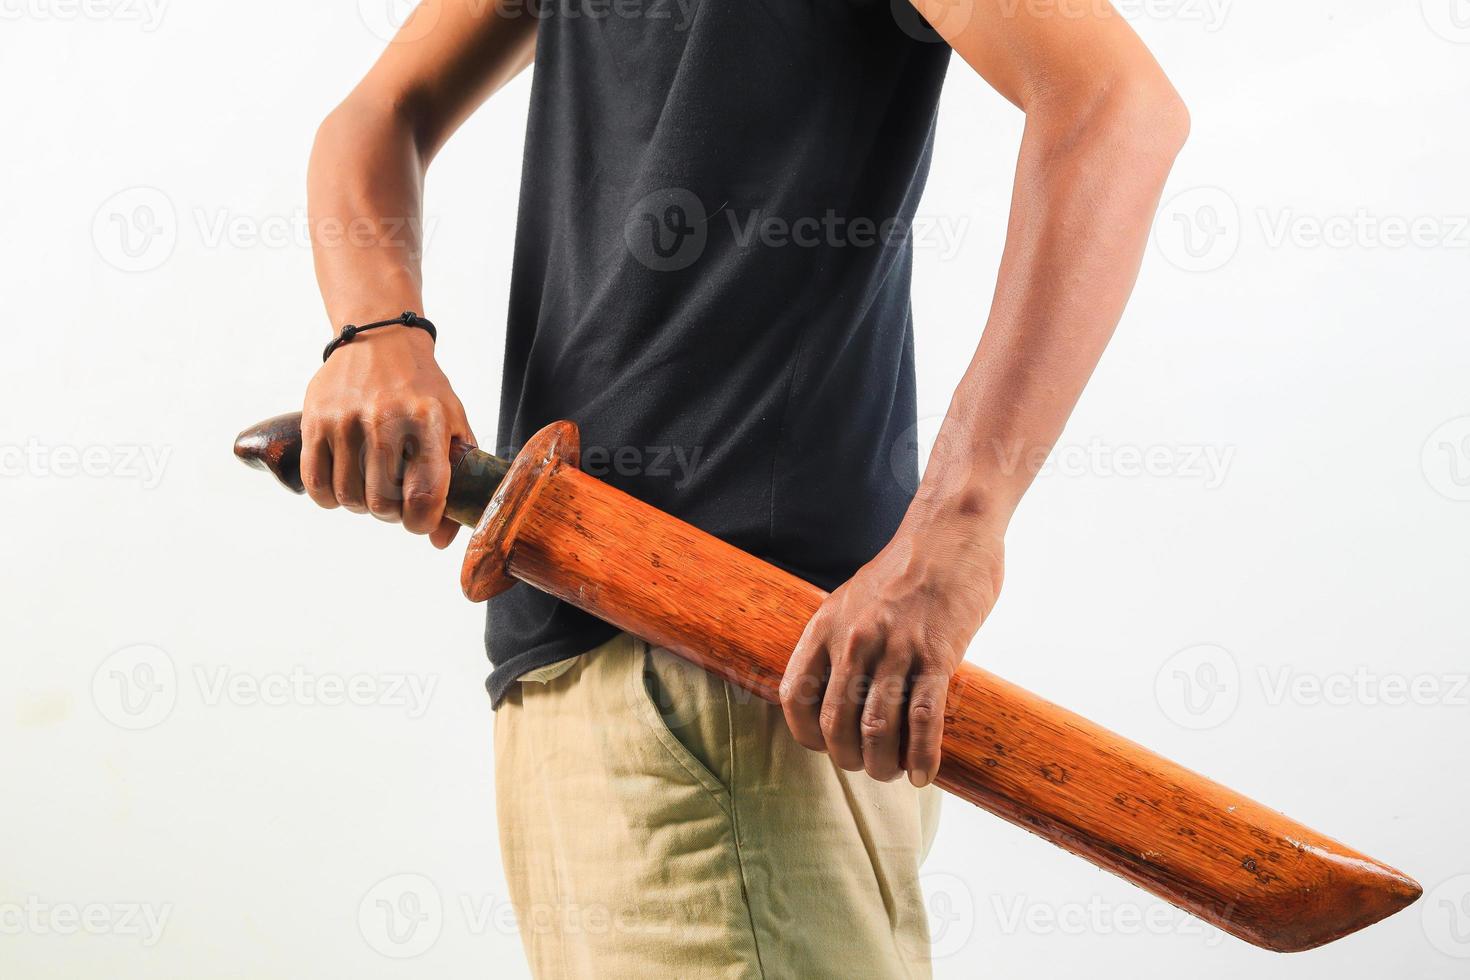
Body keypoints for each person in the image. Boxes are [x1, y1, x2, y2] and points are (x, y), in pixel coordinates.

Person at [298, 0, 1187, 974]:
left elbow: (1114, 102)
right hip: (563, 671)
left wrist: (958, 528)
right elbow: (375, 116)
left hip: (736, 682)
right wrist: (376, 333)